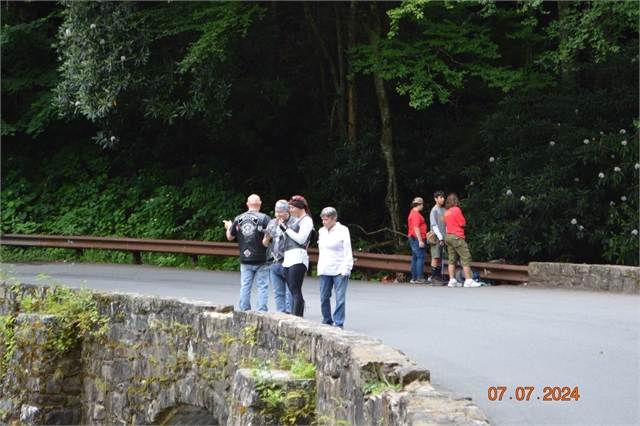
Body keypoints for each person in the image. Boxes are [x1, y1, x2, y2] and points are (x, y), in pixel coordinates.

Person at [223, 194, 272, 310]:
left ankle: (244, 311)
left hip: (245, 259)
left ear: (247, 204)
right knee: (263, 287)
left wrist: (228, 227)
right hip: (262, 258)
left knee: (245, 286)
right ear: (260, 203)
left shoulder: (238, 219)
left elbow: (229, 236)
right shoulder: (265, 218)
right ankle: (261, 312)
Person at [317, 207, 353, 329]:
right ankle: (327, 320)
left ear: (334, 219)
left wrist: (347, 267)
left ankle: (338, 323)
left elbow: (347, 249)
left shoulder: (343, 230)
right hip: (325, 268)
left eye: (326, 219)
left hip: (339, 268)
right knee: (324, 296)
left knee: (340, 297)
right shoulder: (322, 231)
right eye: (322, 219)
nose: (324, 222)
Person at [280, 195, 314, 317]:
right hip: (288, 256)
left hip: (298, 256)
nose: (291, 210)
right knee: (291, 287)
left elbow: (301, 239)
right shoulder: (295, 220)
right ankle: (297, 313)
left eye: (292, 207)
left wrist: (286, 229)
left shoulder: (307, 220)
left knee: (295, 288)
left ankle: (296, 316)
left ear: (300, 207)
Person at [262, 200, 295, 314]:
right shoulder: (271, 222)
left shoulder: (293, 222)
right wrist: (266, 238)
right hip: (273, 262)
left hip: (288, 262)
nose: (277, 215)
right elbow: (265, 244)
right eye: (276, 212)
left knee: (289, 291)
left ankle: (290, 314)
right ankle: (280, 313)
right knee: (278, 292)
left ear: (287, 212)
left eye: (280, 212)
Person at [443, 193, 481, 288]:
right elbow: (462, 223)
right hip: (457, 236)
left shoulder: (446, 211)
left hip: (448, 236)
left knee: (452, 259)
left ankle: (451, 280)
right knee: (466, 257)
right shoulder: (456, 210)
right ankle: (468, 280)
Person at [407, 197, 428, 284]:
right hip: (416, 238)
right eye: (422, 204)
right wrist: (420, 240)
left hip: (413, 237)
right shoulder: (415, 214)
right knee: (420, 257)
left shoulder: (412, 213)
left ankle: (414, 277)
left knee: (415, 257)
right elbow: (416, 228)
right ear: (418, 204)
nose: (422, 206)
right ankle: (419, 277)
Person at [429, 190, 447, 286]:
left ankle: (439, 277)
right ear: (436, 199)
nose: (442, 199)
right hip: (436, 237)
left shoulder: (444, 210)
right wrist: (440, 238)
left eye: (443, 197)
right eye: (440, 197)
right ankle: (434, 278)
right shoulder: (434, 210)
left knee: (440, 257)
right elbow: (434, 225)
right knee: (435, 256)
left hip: (444, 236)